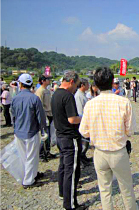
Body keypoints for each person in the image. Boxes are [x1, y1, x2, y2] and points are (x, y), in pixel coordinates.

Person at [79, 67, 138, 210]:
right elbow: (130, 131)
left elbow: (84, 132)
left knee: (104, 190)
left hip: (99, 152)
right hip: (118, 151)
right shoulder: (123, 102)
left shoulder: (90, 104)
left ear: (96, 84)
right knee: (126, 188)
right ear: (112, 82)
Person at [51, 71, 82, 210]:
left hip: (60, 135)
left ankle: (63, 193)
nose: (76, 88)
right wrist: (85, 118)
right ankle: (70, 204)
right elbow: (72, 119)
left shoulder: (55, 93)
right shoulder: (68, 96)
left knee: (63, 166)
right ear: (71, 82)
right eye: (76, 85)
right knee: (72, 170)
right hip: (70, 137)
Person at [11, 74, 47, 188]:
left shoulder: (15, 98)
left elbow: (13, 116)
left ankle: (32, 174)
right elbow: (40, 117)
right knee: (32, 156)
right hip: (31, 131)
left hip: (19, 131)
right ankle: (28, 181)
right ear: (30, 84)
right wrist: (43, 130)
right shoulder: (34, 98)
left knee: (24, 156)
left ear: (20, 84)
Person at [35, 75, 56, 161]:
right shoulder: (40, 91)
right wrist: (43, 117)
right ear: (43, 81)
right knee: (45, 136)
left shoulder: (46, 90)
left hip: (50, 114)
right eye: (48, 79)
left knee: (49, 135)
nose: (49, 80)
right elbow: (39, 106)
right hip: (45, 115)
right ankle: (41, 154)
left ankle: (47, 152)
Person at [74, 78, 92, 168]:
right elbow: (80, 111)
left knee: (86, 141)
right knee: (83, 142)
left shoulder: (83, 94)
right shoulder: (79, 96)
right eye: (87, 84)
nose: (89, 86)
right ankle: (79, 159)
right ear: (82, 85)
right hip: (82, 122)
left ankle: (83, 156)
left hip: (86, 120)